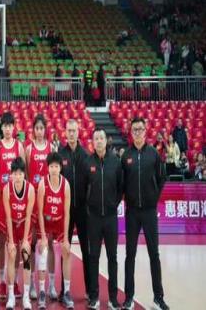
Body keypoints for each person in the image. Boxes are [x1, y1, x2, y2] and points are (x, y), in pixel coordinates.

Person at [121, 117, 168, 310]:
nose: (138, 132)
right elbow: (121, 182)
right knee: (130, 254)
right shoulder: (126, 156)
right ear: (131, 132)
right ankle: (129, 297)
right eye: (135, 130)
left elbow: (162, 177)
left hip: (149, 212)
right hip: (132, 212)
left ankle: (158, 297)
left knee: (154, 254)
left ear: (145, 130)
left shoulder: (153, 154)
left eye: (140, 129)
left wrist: (153, 197)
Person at [86, 128, 123, 310]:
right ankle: (93, 297)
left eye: (101, 138)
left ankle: (113, 298)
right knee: (93, 257)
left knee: (112, 258)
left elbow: (120, 187)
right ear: (93, 142)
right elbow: (84, 188)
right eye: (96, 139)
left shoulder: (115, 161)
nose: (99, 141)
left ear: (106, 140)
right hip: (93, 218)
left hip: (110, 217)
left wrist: (112, 204)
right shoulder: (88, 162)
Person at [0, 111, 26, 301]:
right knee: (2, 242)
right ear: (2, 128)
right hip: (1, 202)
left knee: (18, 243)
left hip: (17, 203)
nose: (7, 129)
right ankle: (3, 282)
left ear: (13, 128)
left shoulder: (19, 147)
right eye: (4, 126)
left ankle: (15, 281)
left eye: (10, 126)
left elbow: (24, 173)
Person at [57, 119, 90, 300]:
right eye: (69, 130)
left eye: (74, 130)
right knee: (65, 249)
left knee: (87, 250)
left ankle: (91, 291)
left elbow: (90, 183)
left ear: (78, 132)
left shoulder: (86, 155)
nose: (71, 133)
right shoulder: (60, 154)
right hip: (66, 211)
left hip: (83, 210)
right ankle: (64, 290)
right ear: (65, 132)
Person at [36, 152, 74, 309]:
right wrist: (43, 237)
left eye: (56, 166)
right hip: (45, 221)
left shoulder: (65, 185)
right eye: (51, 166)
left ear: (60, 168)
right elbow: (39, 211)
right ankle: (42, 291)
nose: (53, 169)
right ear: (48, 168)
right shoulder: (42, 184)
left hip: (59, 222)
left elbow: (67, 213)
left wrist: (65, 239)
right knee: (44, 250)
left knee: (66, 251)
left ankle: (66, 292)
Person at [3, 157, 35, 310]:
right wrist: (10, 241)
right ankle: (11, 295)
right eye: (15, 174)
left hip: (24, 224)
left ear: (24, 174)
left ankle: (26, 296)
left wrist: (26, 241)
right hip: (12, 225)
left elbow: (28, 216)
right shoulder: (6, 189)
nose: (18, 177)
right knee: (11, 254)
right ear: (11, 175)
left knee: (26, 254)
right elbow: (8, 216)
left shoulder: (30, 189)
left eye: (20, 174)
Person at [25, 114, 51, 300]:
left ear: (45, 129)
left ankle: (48, 284)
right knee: (33, 242)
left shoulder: (51, 148)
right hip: (33, 200)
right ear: (33, 130)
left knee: (46, 242)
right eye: (37, 128)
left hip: (48, 200)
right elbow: (26, 174)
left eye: (42, 128)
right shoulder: (29, 149)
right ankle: (32, 284)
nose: (39, 131)